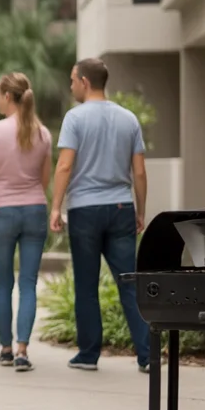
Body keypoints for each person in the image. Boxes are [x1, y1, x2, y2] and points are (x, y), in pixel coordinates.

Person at [50, 58, 150, 373]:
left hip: (84, 210)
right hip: (121, 207)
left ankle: (89, 354)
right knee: (130, 283)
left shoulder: (75, 118)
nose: (71, 86)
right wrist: (140, 210)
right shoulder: (128, 118)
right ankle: (148, 355)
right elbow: (140, 172)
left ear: (84, 81)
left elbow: (65, 165)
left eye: (72, 81)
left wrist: (55, 206)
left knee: (86, 284)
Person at [0, 72, 52, 372]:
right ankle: (23, 349)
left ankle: (6, 349)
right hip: (35, 209)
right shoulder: (43, 133)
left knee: (3, 285)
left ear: (7, 96)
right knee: (29, 283)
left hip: (3, 211)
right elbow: (44, 181)